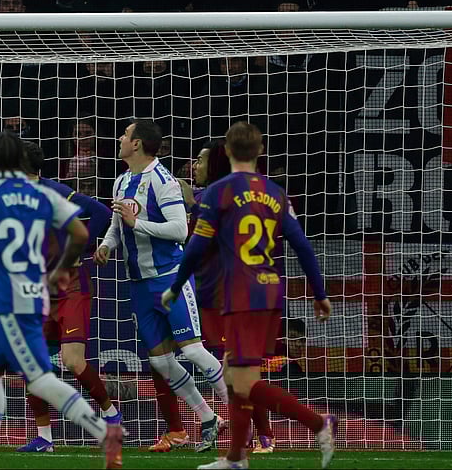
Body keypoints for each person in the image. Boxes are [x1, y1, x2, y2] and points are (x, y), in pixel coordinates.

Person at [0, 131, 123, 470]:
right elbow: (84, 230)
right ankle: (50, 438)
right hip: (33, 292)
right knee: (16, 371)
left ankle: (105, 424)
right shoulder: (46, 196)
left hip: (28, 293)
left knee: (47, 365)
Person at [165, 121, 336, 470]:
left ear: (226, 151)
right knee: (232, 376)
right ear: (260, 153)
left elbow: (196, 247)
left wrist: (174, 285)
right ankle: (236, 458)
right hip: (271, 292)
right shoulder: (276, 193)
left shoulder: (219, 192)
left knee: (244, 383)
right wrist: (320, 293)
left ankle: (318, 423)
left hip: (241, 293)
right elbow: (302, 245)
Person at [96, 119, 228, 453]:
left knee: (193, 350)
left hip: (169, 278)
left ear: (137, 144)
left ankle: (243, 416)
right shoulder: (123, 180)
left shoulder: (163, 181)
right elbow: (116, 226)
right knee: (160, 361)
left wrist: (135, 223)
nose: (121, 138)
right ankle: (208, 417)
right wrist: (107, 246)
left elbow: (179, 231)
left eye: (125, 134)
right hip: (139, 283)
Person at [15, 141, 121, 453]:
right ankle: (45, 438)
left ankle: (111, 415)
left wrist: (84, 248)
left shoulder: (55, 191)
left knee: (72, 360)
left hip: (70, 284)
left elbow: (100, 212)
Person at [181, 138, 277, 455]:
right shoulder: (205, 196)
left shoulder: (222, 196)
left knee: (238, 372)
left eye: (200, 159)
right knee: (231, 372)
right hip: (207, 291)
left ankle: (262, 435)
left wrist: (193, 206)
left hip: (228, 293)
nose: (194, 165)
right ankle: (255, 434)